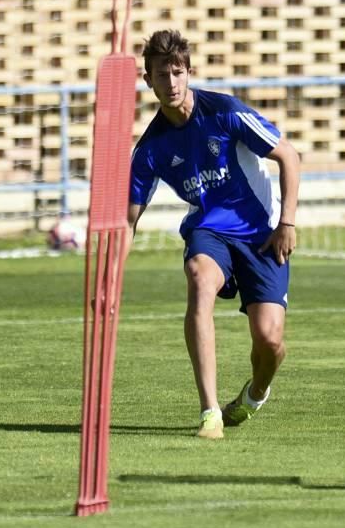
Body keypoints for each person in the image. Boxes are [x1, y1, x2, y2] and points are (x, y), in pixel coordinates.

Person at [126, 29, 300, 440]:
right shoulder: (150, 149)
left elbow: (288, 156)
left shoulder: (224, 112)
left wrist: (287, 223)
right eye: (161, 74)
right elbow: (127, 221)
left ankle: (255, 394)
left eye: (177, 72)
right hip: (209, 232)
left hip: (261, 233)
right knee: (199, 278)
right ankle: (209, 412)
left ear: (188, 72)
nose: (171, 83)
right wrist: (109, 274)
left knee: (270, 342)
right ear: (148, 80)